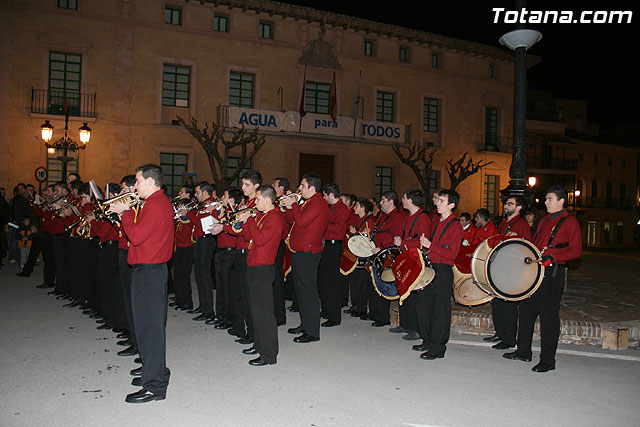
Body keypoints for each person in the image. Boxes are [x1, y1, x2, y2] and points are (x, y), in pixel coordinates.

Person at [110, 164, 174, 403]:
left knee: (150, 329)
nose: (134, 186)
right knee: (147, 326)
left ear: (150, 181)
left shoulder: (156, 204)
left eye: (137, 181)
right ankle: (154, 370)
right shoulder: (153, 203)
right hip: (147, 270)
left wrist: (124, 212)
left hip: (150, 272)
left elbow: (135, 236)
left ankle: (155, 385)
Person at [504, 186, 582, 373]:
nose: (545, 202)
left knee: (549, 318)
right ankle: (523, 351)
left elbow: (576, 250)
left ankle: (548, 360)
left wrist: (554, 255)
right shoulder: (545, 221)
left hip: (553, 274)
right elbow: (536, 245)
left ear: (561, 201)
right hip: (536, 272)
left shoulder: (571, 223)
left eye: (549, 199)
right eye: (546, 199)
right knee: (526, 312)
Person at [234, 185, 284, 366]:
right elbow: (248, 238)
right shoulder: (262, 215)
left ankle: (269, 354)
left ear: (268, 200)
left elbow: (261, 240)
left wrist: (250, 220)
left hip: (263, 269)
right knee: (256, 311)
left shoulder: (276, 217)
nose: (254, 203)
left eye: (257, 199)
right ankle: (259, 345)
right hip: (254, 267)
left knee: (264, 314)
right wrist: (245, 221)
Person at [281, 172, 329, 343]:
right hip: (298, 250)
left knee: (308, 292)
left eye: (302, 185)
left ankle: (313, 331)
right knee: (301, 291)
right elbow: (291, 220)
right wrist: (289, 206)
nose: (299, 188)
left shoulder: (318, 203)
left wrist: (293, 204)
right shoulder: (307, 202)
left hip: (308, 252)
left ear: (312, 188)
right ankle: (305, 324)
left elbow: (301, 222)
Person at [416, 189, 463, 360]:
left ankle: (438, 347)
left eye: (442, 200)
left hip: (443, 270)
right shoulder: (437, 221)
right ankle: (428, 340)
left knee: (439, 310)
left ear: (451, 205)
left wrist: (430, 246)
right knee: (424, 306)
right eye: (438, 199)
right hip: (431, 267)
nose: (437, 203)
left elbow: (452, 254)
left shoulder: (455, 225)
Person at [485, 195, 532, 350]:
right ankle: (500, 332)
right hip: (501, 266)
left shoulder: (521, 224)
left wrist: (515, 238)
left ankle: (509, 338)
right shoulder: (504, 223)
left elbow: (527, 246)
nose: (506, 206)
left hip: (512, 268)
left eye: (510, 204)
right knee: (497, 301)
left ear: (519, 208)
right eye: (506, 203)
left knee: (508, 304)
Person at [394, 189, 432, 331]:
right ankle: (405, 324)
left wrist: (403, 243)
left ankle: (414, 328)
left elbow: (422, 243)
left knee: (414, 294)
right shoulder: (408, 217)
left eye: (404, 198)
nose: (402, 201)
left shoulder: (423, 218)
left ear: (410, 200)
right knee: (404, 290)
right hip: (406, 257)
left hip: (415, 259)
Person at [370, 191, 404, 332]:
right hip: (377, 254)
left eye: (383, 200)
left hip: (386, 255)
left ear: (391, 202)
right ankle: (376, 313)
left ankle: (383, 317)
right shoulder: (383, 217)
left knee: (384, 284)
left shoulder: (397, 218)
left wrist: (382, 248)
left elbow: (395, 239)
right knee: (376, 284)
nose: (381, 203)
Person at [318, 182, 351, 327]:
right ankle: (326, 310)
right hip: (326, 245)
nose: (324, 198)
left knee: (332, 283)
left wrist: (322, 224)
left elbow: (338, 230)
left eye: (325, 195)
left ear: (331, 195)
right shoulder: (331, 208)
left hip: (334, 246)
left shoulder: (342, 209)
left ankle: (334, 316)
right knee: (323, 281)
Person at [186, 182, 218, 322]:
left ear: (205, 192)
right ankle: (203, 305)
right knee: (199, 274)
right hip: (200, 240)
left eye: (198, 192)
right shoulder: (202, 205)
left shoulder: (210, 204)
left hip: (206, 240)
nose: (195, 195)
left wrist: (188, 214)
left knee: (204, 275)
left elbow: (202, 224)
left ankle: (208, 310)